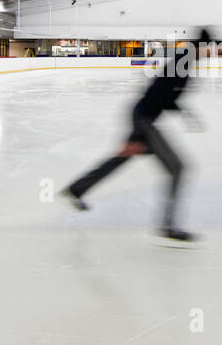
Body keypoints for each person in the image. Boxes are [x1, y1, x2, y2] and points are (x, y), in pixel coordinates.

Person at [63, 29, 213, 242]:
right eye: (213, 47)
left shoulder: (186, 61)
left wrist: (184, 114)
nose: (214, 52)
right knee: (178, 168)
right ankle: (168, 226)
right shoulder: (183, 62)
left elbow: (165, 95)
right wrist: (138, 134)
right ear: (203, 46)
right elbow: (158, 94)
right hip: (144, 119)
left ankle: (76, 189)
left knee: (121, 159)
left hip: (144, 117)